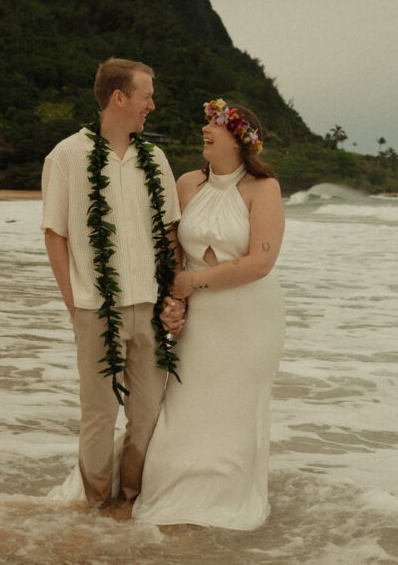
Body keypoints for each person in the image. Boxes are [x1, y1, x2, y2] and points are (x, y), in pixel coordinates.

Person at [132, 99, 286, 530]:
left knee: (234, 406)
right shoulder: (186, 184)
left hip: (249, 317)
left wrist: (191, 285)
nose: (205, 129)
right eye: (206, 122)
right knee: (185, 402)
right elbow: (174, 255)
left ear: (239, 139)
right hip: (199, 315)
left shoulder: (264, 189)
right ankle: (171, 488)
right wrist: (174, 299)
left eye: (215, 124)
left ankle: (227, 496)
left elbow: (261, 263)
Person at [41, 58, 182, 509]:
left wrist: (173, 296)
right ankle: (97, 508)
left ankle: (132, 500)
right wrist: (74, 303)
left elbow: (170, 234)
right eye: (146, 96)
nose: (152, 105)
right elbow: (55, 234)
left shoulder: (155, 159)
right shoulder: (66, 155)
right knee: (99, 415)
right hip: (95, 308)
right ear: (119, 97)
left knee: (147, 414)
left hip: (150, 307)